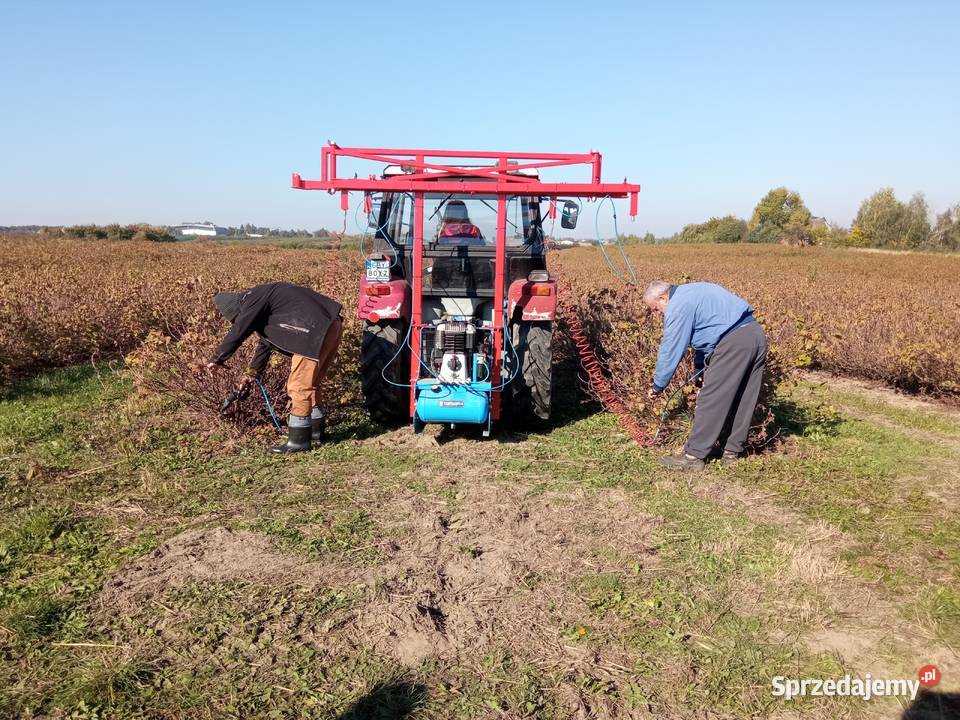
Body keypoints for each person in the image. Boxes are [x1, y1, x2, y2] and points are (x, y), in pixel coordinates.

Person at [643, 280, 767, 470]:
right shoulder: (694, 290)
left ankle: (694, 456)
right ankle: (732, 452)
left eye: (655, 308)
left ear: (663, 298)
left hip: (733, 343)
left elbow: (671, 348)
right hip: (755, 335)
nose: (657, 313)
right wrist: (699, 367)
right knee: (744, 397)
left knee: (712, 399)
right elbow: (708, 333)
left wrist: (658, 385)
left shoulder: (677, 305)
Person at [206, 282, 344, 454]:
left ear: (238, 310)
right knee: (313, 383)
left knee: (298, 386)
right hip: (332, 325)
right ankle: (315, 434)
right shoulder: (264, 304)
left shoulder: (252, 299)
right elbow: (265, 344)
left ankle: (298, 442)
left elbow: (239, 330)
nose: (236, 322)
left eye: (235, 319)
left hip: (314, 331)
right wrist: (250, 375)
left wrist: (217, 358)